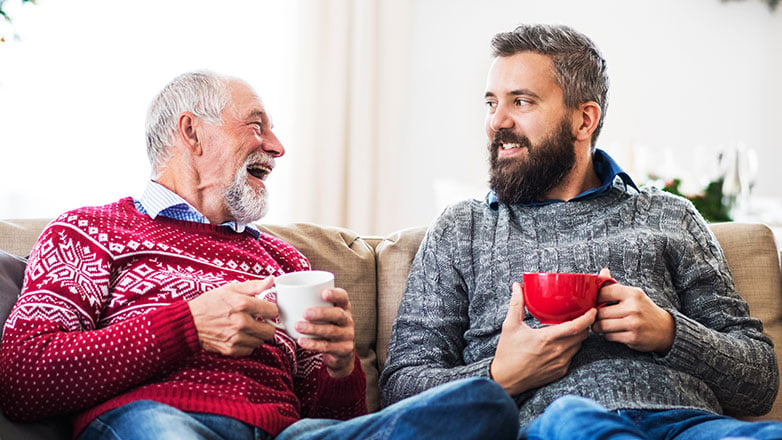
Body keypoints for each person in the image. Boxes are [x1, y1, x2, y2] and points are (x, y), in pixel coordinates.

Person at [0, 71, 520, 440]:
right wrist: (187, 326)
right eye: (256, 125)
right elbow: (22, 379)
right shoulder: (90, 231)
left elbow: (333, 418)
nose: (277, 146)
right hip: (157, 419)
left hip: (290, 433)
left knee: (482, 404)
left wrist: (340, 366)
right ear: (191, 132)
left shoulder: (285, 260)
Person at [378, 23, 782, 440]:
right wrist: (500, 374)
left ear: (584, 119)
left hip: (690, 425)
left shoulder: (671, 216)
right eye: (491, 103)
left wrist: (669, 333)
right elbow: (400, 389)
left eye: (521, 101)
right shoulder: (462, 229)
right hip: (559, 424)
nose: (496, 121)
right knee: (576, 419)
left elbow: (759, 382)